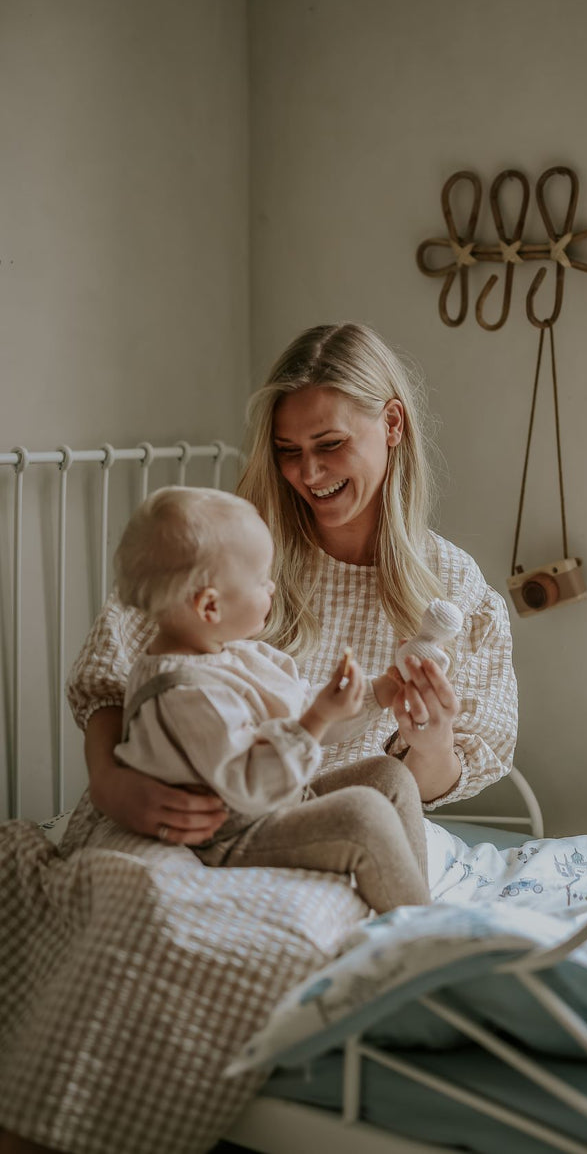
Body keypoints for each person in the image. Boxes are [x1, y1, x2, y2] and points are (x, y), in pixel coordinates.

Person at [66, 323, 518, 845]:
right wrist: (110, 785)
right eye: (287, 450)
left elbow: (418, 787)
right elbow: (108, 676)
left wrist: (432, 742)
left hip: (328, 828)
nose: (308, 472)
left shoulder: (453, 585)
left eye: (331, 444)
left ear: (392, 423)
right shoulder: (233, 544)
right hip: (177, 817)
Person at [109, 484, 430, 914]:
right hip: (231, 833)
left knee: (389, 776)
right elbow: (250, 784)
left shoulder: (230, 653)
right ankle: (419, 930)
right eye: (261, 580)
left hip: (274, 802)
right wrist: (316, 719)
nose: (273, 587)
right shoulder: (186, 693)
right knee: (363, 817)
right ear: (210, 607)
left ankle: (413, 904)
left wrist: (378, 692)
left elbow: (298, 715)